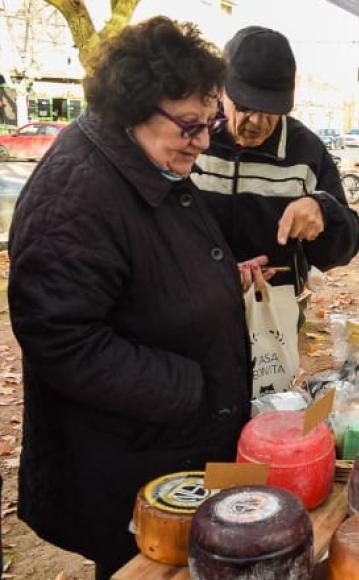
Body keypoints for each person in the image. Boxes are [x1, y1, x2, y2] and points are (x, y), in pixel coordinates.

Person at [8, 18, 255, 578]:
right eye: (191, 126)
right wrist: (187, 387)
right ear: (134, 108)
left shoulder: (144, 156)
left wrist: (214, 282)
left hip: (170, 444)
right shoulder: (75, 194)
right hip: (130, 455)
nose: (204, 140)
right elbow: (63, 340)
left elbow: (153, 265)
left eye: (210, 121)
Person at [192, 26, 359, 298]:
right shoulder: (190, 136)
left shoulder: (306, 149)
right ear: (222, 90)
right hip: (193, 303)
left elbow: (347, 243)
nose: (258, 122)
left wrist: (324, 212)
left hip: (273, 315)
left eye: (271, 109)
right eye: (245, 106)